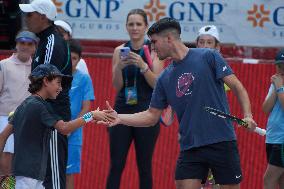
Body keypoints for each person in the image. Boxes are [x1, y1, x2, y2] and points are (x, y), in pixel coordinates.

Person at [103, 17, 257, 189]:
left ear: (169, 39)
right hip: (190, 146)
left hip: (220, 141)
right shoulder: (164, 78)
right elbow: (151, 116)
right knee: (183, 184)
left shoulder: (209, 56)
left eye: (154, 42)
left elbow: (238, 87)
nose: (152, 47)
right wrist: (119, 118)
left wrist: (248, 115)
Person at [0, 63, 109, 189]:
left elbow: (3, 136)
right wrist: (91, 115)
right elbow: (64, 128)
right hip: (29, 177)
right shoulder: (40, 106)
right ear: (46, 81)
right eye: (58, 82)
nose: (61, 88)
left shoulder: (23, 105)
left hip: (28, 175)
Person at [106, 9, 164, 189]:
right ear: (126, 27)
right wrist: (119, 68)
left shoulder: (154, 51)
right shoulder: (119, 50)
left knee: (144, 166)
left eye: (139, 24)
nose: (135, 28)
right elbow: (117, 86)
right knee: (116, 165)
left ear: (146, 27)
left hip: (147, 112)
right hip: (122, 110)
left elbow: (157, 85)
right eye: (131, 24)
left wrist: (143, 66)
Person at [19, 0, 72, 188]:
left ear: (43, 17)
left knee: (53, 179)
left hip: (52, 120)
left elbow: (44, 86)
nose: (26, 18)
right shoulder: (46, 41)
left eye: (30, 14)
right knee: (43, 178)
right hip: (45, 117)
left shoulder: (52, 43)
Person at [0, 30, 38, 175]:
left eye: (29, 44)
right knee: (6, 160)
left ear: (34, 47)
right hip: (5, 118)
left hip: (29, 121)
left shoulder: (37, 68)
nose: (25, 47)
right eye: (22, 43)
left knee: (23, 162)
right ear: (16, 44)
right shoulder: (3, 65)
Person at [66, 39, 95, 189]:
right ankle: (7, 185)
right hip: (53, 131)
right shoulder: (53, 76)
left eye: (75, 58)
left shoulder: (84, 78)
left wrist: (71, 127)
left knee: (68, 174)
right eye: (68, 56)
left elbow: (88, 112)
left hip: (74, 135)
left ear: (79, 60)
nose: (71, 61)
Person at [262, 49, 284, 189]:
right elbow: (265, 109)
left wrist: (280, 88)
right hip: (272, 138)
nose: (281, 69)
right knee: (281, 181)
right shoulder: (276, 83)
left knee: (268, 180)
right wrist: (277, 88)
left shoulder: (278, 85)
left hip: (282, 140)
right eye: (279, 65)